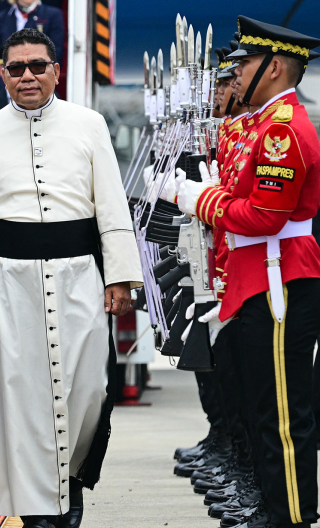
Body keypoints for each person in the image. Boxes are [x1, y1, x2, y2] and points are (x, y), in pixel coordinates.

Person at [0, 29, 141, 528]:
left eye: (37, 65)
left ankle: (71, 479)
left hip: (79, 274)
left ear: (56, 69)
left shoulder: (90, 124)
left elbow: (112, 206)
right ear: (3, 75)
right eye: (17, 68)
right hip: (7, 281)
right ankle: (39, 509)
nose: (28, 76)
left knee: (91, 388)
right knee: (21, 393)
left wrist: (119, 275)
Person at [177, 17, 320, 528]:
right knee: (263, 406)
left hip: (279, 277)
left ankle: (292, 517)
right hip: (257, 274)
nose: (235, 75)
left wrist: (200, 198)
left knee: (282, 413)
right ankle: (273, 506)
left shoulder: (282, 130)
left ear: (276, 67)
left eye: (247, 64)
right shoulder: (263, 123)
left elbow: (263, 215)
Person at [0, 0, 64, 93]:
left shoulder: (52, 15)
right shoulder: (3, 17)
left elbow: (56, 56)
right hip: (9, 85)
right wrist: (5, 89)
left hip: (40, 85)